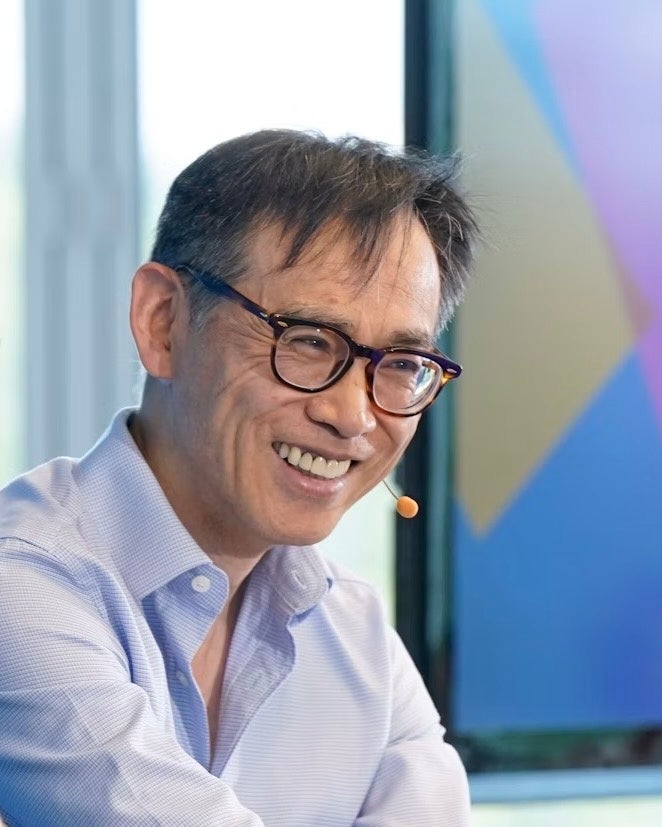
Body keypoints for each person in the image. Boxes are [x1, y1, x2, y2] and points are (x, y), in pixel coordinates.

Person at [0, 129, 478, 826]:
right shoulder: (21, 585)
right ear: (162, 322)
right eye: (307, 340)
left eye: (402, 364)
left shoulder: (355, 632)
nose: (352, 415)